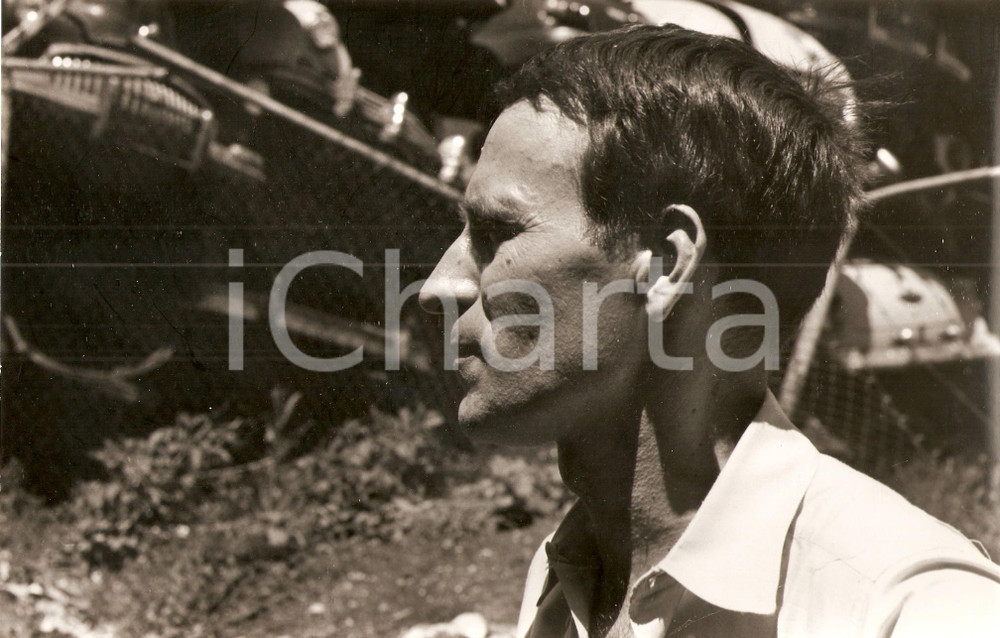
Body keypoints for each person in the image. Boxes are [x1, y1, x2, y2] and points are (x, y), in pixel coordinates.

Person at [418, 25, 1000, 638]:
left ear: (666, 265)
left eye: (497, 233)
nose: (437, 286)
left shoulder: (909, 609)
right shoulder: (571, 576)